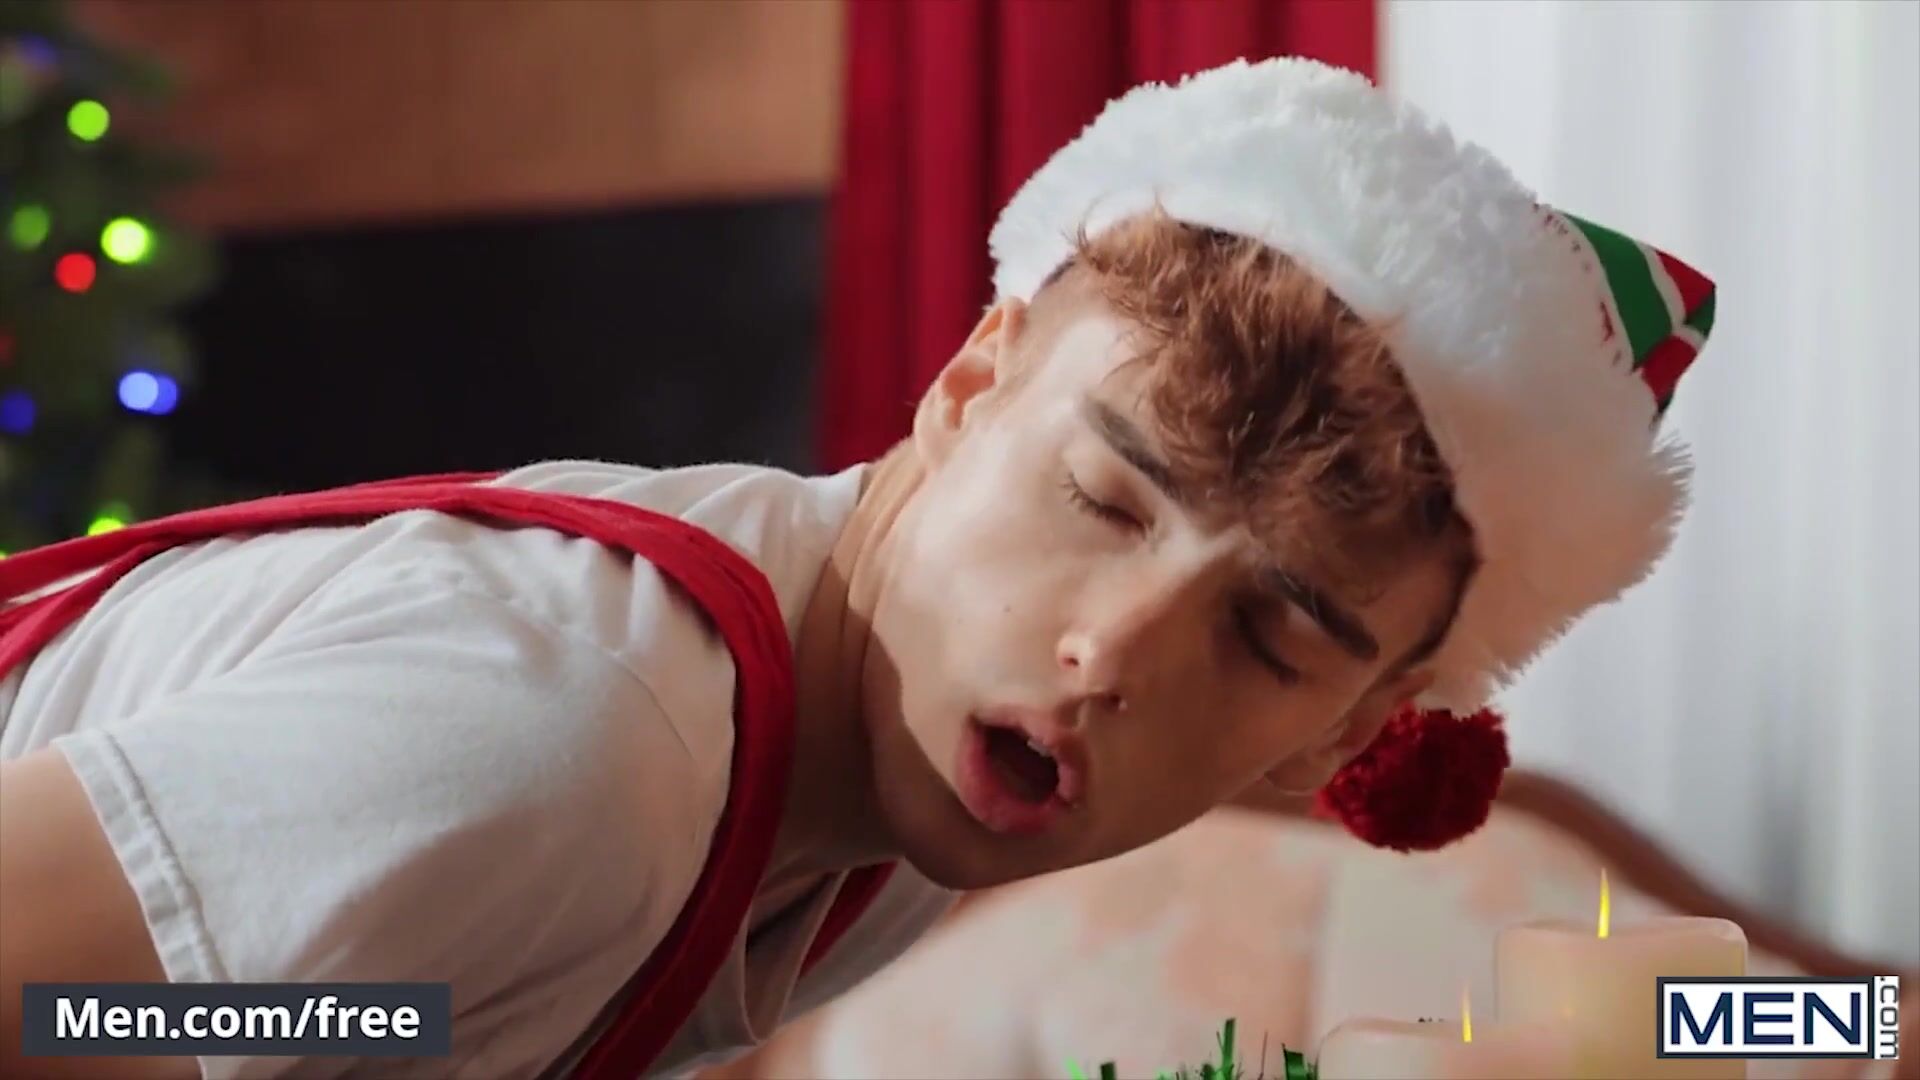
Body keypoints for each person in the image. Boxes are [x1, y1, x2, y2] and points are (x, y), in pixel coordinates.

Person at [0, 57, 1719, 1079]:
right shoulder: (566, 744)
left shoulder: (890, 798)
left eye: (1270, 637)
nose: (1115, 649)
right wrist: (364, 1021)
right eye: (1103, 500)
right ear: (967, 388)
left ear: (1347, 730)